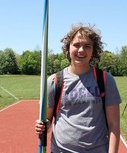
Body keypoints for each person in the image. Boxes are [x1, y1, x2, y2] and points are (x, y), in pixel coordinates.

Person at [35, 23, 122, 152]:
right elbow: (47, 120)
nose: (81, 50)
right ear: (68, 47)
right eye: (76, 45)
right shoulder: (54, 81)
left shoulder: (105, 80)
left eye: (87, 46)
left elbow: (114, 125)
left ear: (93, 50)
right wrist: (43, 125)